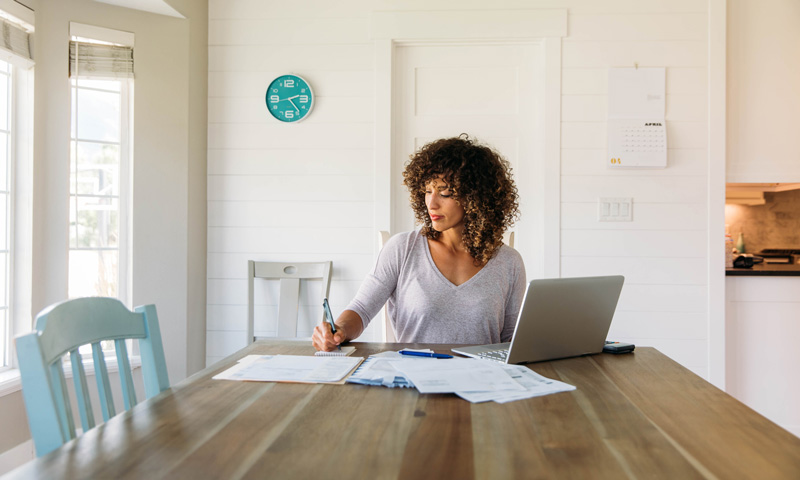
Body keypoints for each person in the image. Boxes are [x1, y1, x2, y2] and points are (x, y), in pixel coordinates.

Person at [312, 135, 526, 351]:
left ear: (476, 198)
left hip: (483, 379)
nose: (431, 204)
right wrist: (338, 330)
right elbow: (361, 309)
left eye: (445, 193)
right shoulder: (402, 248)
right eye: (427, 191)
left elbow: (511, 339)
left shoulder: (509, 262)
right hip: (413, 377)